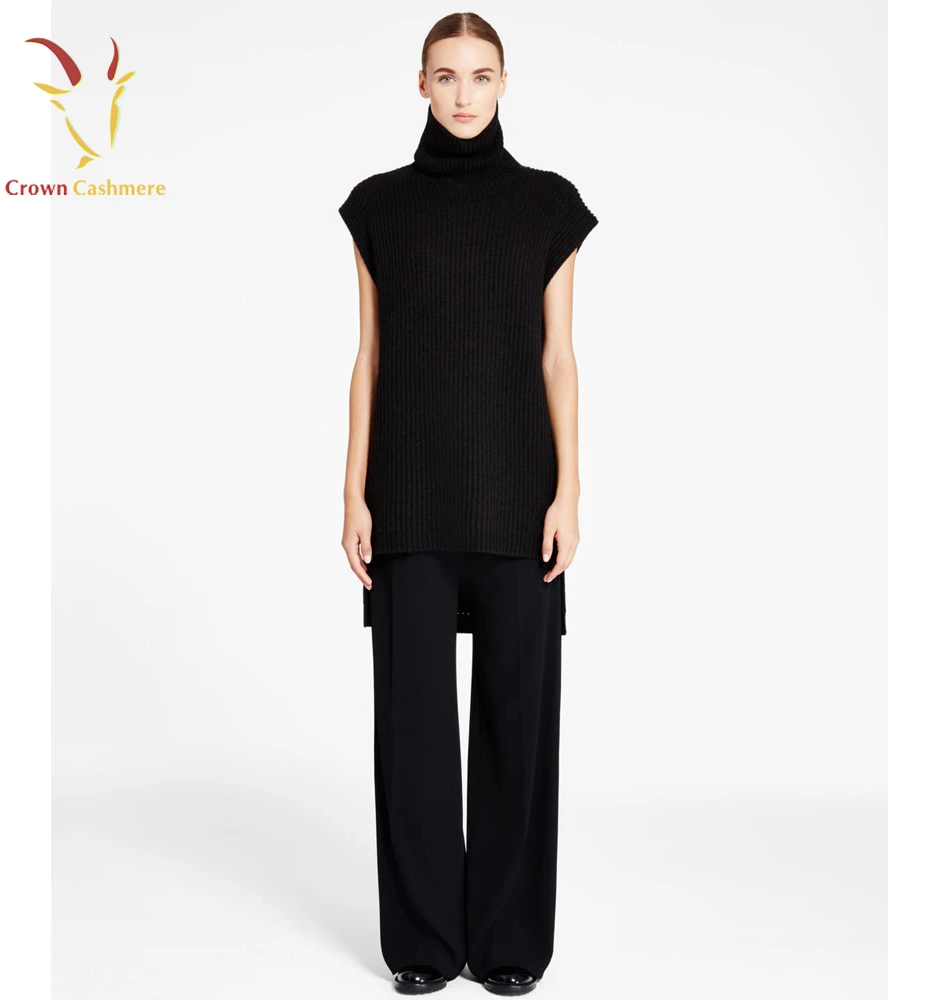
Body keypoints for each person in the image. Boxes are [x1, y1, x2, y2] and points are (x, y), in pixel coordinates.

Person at [338, 12, 597, 996]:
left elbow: (558, 359)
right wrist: (353, 490)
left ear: (503, 84)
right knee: (412, 734)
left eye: (480, 75)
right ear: (420, 84)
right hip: (407, 501)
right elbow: (369, 359)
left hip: (519, 502)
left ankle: (509, 944)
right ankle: (421, 945)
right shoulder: (378, 208)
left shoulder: (547, 207)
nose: (462, 94)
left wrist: (569, 489)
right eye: (445, 76)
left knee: (515, 728)